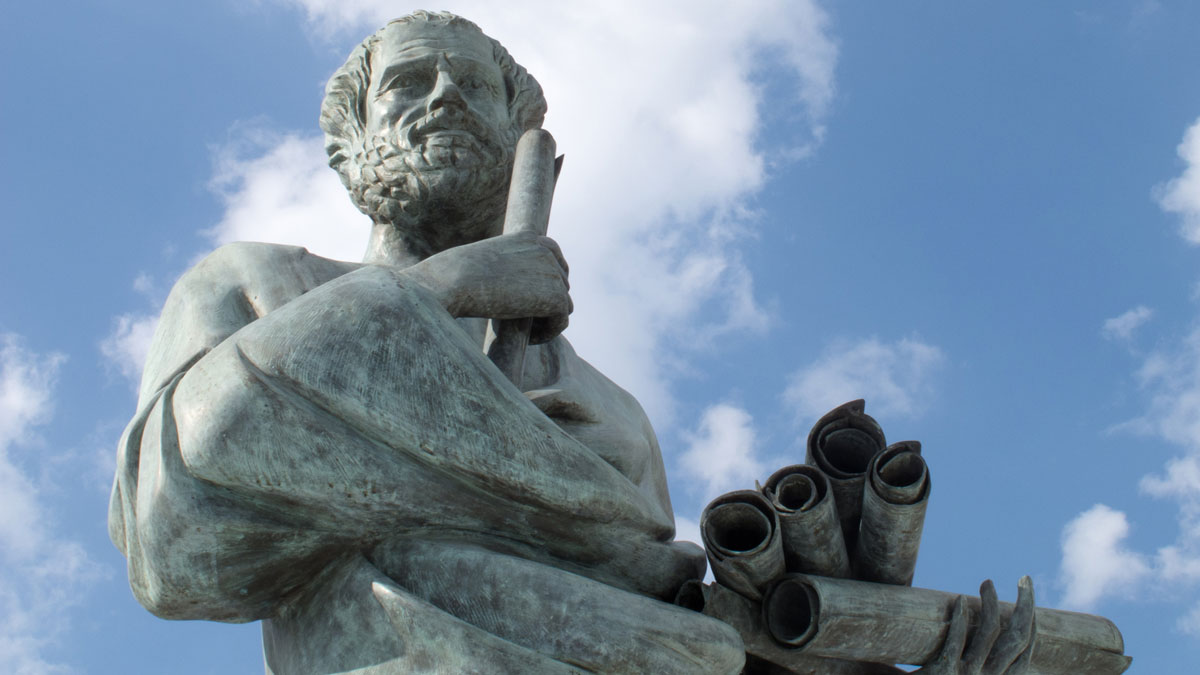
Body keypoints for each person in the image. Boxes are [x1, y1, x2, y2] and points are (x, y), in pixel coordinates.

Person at [109, 11, 1031, 674]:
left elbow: (681, 627)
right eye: (409, 82)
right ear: (353, 140)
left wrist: (850, 648)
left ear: (523, 144)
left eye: (473, 85)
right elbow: (171, 540)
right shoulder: (257, 286)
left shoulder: (614, 413)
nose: (445, 98)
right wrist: (441, 289)